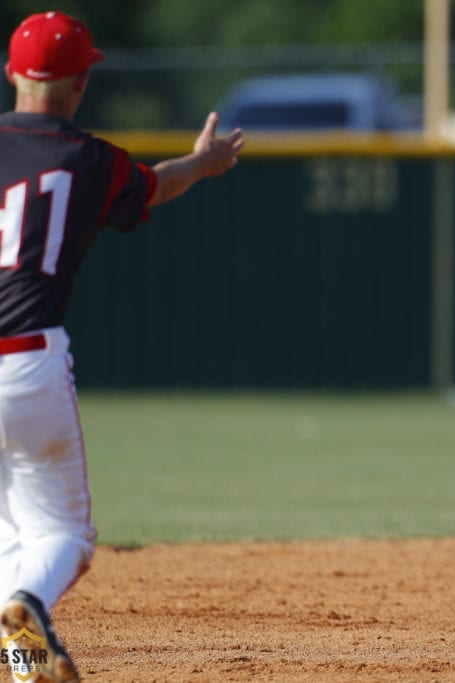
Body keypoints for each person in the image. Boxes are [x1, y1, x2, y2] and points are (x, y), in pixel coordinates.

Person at [0, 11, 244, 682]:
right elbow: (157, 184)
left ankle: (24, 658)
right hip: (29, 360)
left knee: (8, 533)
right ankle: (27, 605)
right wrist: (208, 161)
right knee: (64, 536)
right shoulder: (89, 161)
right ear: (81, 85)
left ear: (10, 74)